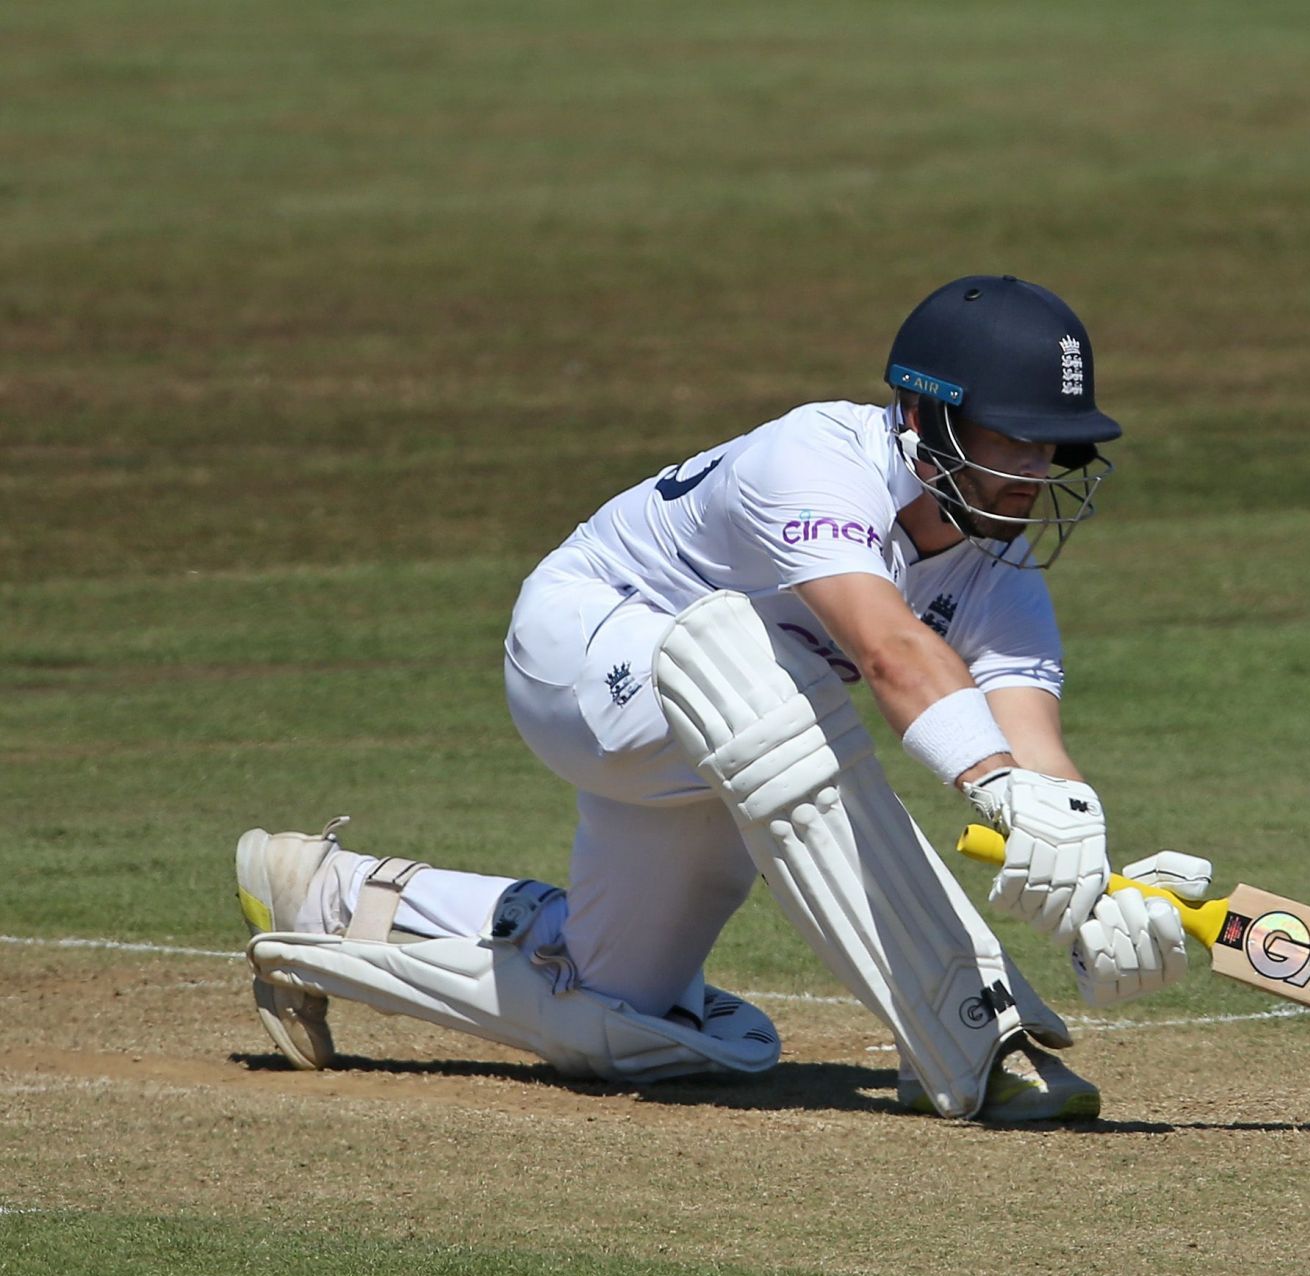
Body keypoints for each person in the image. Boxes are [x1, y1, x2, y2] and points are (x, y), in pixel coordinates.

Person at [236, 275, 1213, 1122]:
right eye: (1017, 440)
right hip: (584, 658)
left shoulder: (1005, 574)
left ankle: (326, 899)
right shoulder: (817, 459)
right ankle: (971, 1030)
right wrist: (1001, 788)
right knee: (752, 665)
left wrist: (1091, 875)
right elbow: (890, 651)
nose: (1036, 472)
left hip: (725, 739)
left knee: (629, 1022)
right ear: (926, 419)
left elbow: (1030, 746)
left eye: (1055, 450)